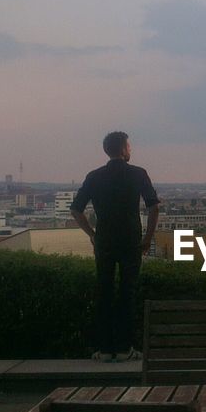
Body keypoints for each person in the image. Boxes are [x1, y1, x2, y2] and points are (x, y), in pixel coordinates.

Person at [70, 131, 160, 361]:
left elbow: (76, 209)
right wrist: (148, 238)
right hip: (131, 240)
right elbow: (153, 207)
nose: (130, 150)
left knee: (104, 291)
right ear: (122, 149)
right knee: (127, 293)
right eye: (128, 146)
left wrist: (92, 234)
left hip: (105, 240)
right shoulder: (138, 174)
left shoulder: (94, 176)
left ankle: (104, 348)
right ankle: (124, 347)